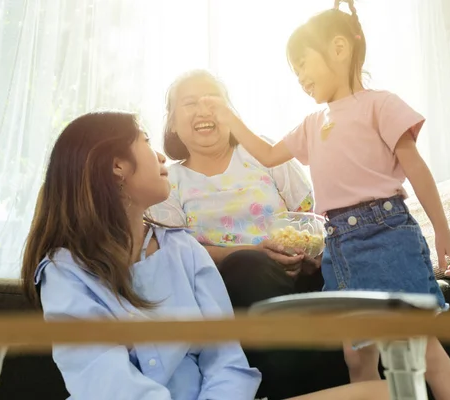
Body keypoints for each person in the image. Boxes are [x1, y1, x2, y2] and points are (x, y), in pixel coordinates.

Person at [197, 1, 450, 399]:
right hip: (339, 245)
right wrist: (229, 116)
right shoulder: (312, 124)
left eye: (304, 64)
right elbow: (269, 153)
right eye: (295, 72)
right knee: (356, 356)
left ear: (340, 49)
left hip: (386, 237)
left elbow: (417, 170)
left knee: (424, 351)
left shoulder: (381, 104)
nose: (300, 78)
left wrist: (444, 232)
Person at [20, 111, 389, 400]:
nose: (160, 154)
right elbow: (103, 379)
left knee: (384, 392)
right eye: (146, 142)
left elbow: (227, 361)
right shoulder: (65, 271)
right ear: (117, 165)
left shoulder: (183, 248)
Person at [150, 69, 352, 399]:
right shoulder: (167, 182)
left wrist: (311, 252)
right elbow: (177, 251)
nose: (204, 110)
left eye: (213, 100)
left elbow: (310, 216)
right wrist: (256, 255)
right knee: (248, 265)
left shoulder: (264, 153)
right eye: (190, 103)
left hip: (302, 275)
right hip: (234, 289)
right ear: (172, 122)